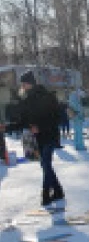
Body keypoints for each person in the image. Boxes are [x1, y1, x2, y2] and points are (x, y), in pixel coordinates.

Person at [17, 71, 65, 206]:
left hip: (50, 135)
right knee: (45, 164)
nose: (22, 86)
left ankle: (45, 194)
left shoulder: (47, 97)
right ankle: (58, 190)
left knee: (46, 163)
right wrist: (7, 127)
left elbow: (56, 118)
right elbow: (24, 121)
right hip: (38, 138)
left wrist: (40, 127)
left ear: (30, 83)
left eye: (24, 83)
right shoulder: (26, 100)